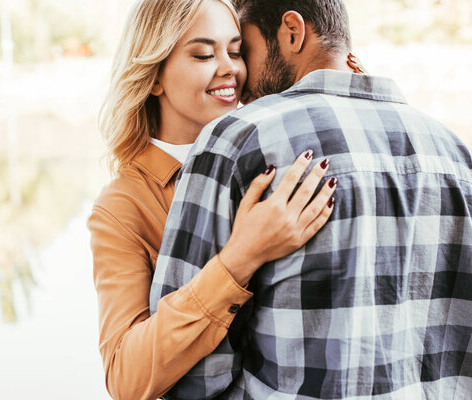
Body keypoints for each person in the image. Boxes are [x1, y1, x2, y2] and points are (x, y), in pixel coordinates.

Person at [149, 0, 472, 398]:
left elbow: (186, 367)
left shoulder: (238, 140)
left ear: (291, 31)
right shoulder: (468, 163)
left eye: (244, 48)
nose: (238, 76)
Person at [87, 0, 338, 399]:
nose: (230, 69)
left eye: (236, 51)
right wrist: (241, 257)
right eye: (204, 54)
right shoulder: (123, 206)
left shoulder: (270, 154)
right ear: (154, 76)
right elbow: (126, 377)